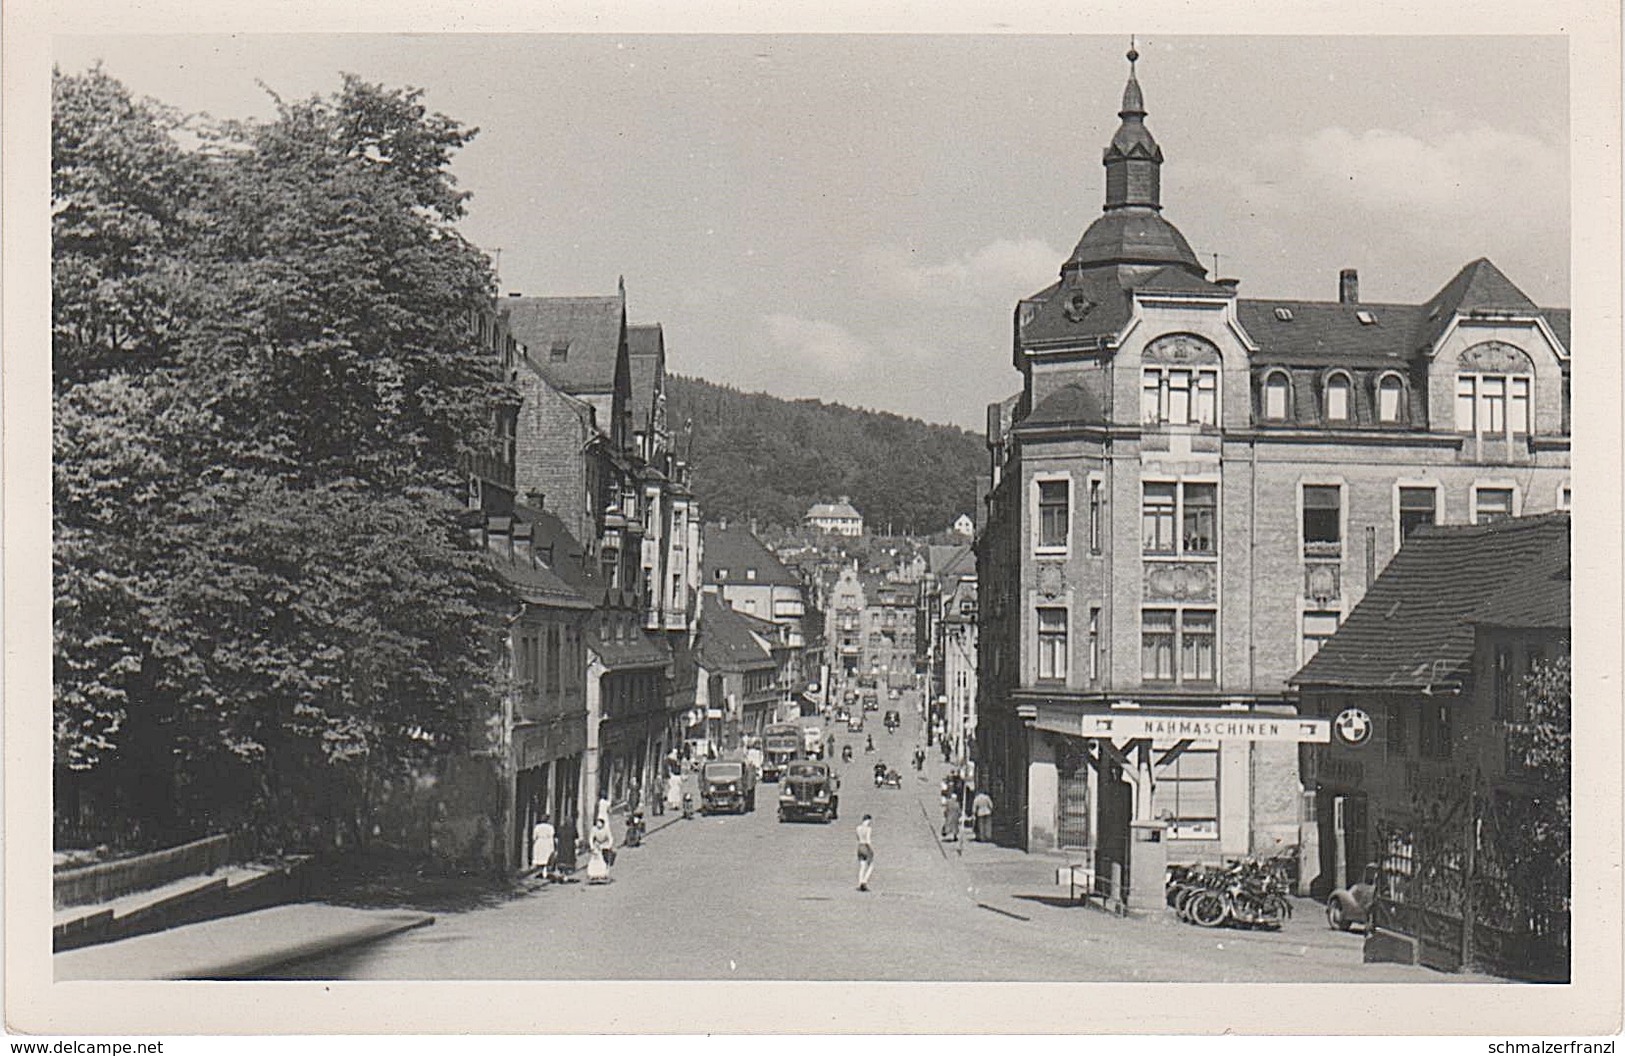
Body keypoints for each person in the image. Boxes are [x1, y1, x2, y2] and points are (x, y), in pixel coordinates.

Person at [586, 815, 615, 884]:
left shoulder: (606, 829)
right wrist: (592, 847)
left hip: (604, 845)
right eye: (597, 822)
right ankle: (594, 874)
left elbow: (610, 838)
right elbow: (591, 838)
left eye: (600, 823)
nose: (598, 824)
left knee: (605, 861)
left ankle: (604, 874)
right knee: (595, 860)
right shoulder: (594, 829)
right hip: (596, 846)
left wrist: (608, 846)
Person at [530, 813, 556, 880]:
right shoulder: (550, 827)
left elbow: (534, 837)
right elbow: (552, 836)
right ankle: (545, 872)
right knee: (546, 858)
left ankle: (540, 872)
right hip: (547, 843)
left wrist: (535, 841)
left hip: (539, 843)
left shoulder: (537, 827)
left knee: (539, 857)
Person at [855, 814, 875, 891]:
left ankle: (860, 883)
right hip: (866, 847)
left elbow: (858, 838)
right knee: (871, 865)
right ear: (869, 820)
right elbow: (868, 840)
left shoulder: (858, 828)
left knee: (862, 866)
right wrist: (871, 850)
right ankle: (864, 881)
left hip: (860, 846)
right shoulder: (868, 829)